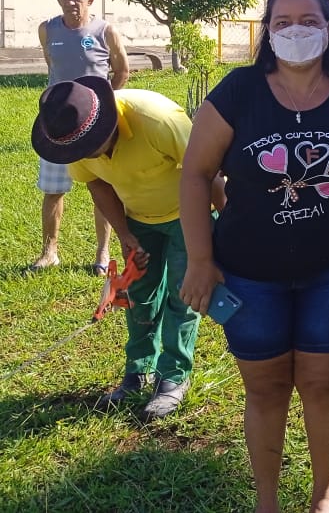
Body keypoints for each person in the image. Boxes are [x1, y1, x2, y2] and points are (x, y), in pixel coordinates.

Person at [179, 0, 329, 513]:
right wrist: (200, 259)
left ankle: (322, 497)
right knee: (264, 389)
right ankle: (267, 503)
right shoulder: (239, 90)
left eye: (309, 20)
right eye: (283, 22)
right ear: (267, 31)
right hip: (247, 273)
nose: (296, 31)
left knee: (323, 384)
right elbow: (195, 175)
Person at [30, 75, 211, 420]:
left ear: (104, 125)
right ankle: (139, 369)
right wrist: (126, 234)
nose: (81, 156)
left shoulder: (158, 120)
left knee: (182, 294)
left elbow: (205, 172)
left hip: (189, 214)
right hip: (138, 217)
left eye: (88, 148)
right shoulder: (70, 137)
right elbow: (97, 185)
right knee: (139, 293)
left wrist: (214, 230)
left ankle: (173, 377)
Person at [30, 0, 129, 275]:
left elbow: (122, 71)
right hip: (57, 126)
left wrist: (104, 109)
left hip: (95, 127)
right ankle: (50, 252)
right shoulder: (47, 29)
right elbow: (53, 68)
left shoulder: (105, 31)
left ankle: (102, 253)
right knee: (53, 190)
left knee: (101, 187)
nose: (70, 3)